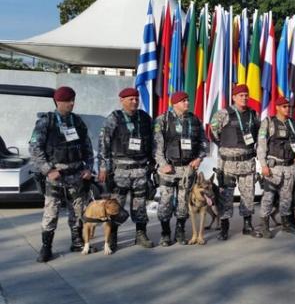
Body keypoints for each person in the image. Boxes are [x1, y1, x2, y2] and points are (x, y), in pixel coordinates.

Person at [29, 86, 94, 262]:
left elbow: (87, 147)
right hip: (56, 176)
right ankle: (46, 247)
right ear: (58, 102)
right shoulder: (46, 122)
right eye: (67, 101)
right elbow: (34, 148)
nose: (71, 103)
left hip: (77, 175)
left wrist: (88, 168)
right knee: (51, 212)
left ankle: (77, 241)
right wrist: (48, 170)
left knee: (78, 211)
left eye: (73, 100)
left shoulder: (77, 122)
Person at [98, 88, 154, 251]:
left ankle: (141, 234)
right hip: (120, 171)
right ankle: (113, 237)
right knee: (116, 205)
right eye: (130, 99)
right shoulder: (113, 119)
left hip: (140, 170)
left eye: (136, 99)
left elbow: (152, 142)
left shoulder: (144, 118)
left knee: (140, 204)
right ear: (121, 100)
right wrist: (103, 167)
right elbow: (104, 145)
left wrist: (152, 163)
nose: (134, 101)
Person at [154, 91, 208, 246]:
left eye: (188, 100)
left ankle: (180, 231)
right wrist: (163, 164)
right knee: (165, 202)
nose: (187, 103)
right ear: (175, 103)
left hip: (187, 169)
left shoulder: (194, 119)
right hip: (168, 169)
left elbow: (204, 142)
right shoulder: (162, 120)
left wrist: (199, 158)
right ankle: (165, 233)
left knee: (183, 202)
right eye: (183, 101)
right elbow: (157, 145)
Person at [210, 84, 262, 239]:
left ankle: (247, 225)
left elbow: (259, 133)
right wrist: (226, 147)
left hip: (247, 162)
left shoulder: (253, 114)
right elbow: (213, 133)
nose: (244, 98)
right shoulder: (223, 114)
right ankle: (224, 228)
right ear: (234, 97)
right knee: (226, 195)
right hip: (228, 163)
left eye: (246, 95)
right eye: (241, 95)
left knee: (248, 194)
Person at [256, 97, 295, 238]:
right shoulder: (268, 122)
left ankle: (286, 223)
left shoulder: (293, 124)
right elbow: (262, 144)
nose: (287, 109)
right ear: (277, 107)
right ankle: (264, 225)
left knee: (286, 197)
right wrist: (263, 165)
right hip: (273, 167)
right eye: (284, 106)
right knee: (268, 197)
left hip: (289, 166)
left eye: (288, 106)